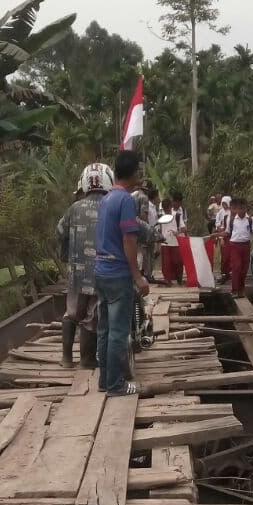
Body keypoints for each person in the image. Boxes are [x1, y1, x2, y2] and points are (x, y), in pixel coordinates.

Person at [94, 151, 149, 396]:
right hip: (117, 274)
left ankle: (105, 380)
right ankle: (116, 385)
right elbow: (129, 239)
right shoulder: (126, 200)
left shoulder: (107, 199)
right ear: (134, 172)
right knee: (118, 332)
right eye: (138, 169)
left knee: (104, 330)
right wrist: (137, 276)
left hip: (101, 272)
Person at [55, 163, 110, 368]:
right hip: (101, 271)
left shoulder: (74, 208)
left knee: (72, 312)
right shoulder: (111, 205)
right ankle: (87, 359)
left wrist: (67, 251)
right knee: (91, 315)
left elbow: (59, 232)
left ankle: (67, 358)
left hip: (77, 273)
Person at [226, 197, 253, 298]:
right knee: (236, 267)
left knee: (244, 269)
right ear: (236, 209)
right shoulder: (231, 220)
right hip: (234, 246)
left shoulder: (250, 220)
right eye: (239, 208)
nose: (241, 211)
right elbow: (227, 232)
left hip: (246, 246)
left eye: (243, 208)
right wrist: (217, 236)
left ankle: (241, 289)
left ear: (246, 209)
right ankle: (234, 290)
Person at [158, 198, 184, 285]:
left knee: (177, 261)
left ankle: (179, 278)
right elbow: (158, 229)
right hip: (165, 242)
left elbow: (183, 228)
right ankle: (167, 280)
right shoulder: (161, 217)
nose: (166, 211)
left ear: (170, 206)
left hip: (175, 242)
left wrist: (178, 232)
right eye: (165, 209)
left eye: (167, 209)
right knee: (166, 263)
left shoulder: (177, 216)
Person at [215, 195, 232, 282]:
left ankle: (229, 273)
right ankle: (224, 273)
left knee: (230, 256)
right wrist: (220, 236)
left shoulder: (231, 212)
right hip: (223, 235)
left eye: (226, 203)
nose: (224, 205)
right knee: (224, 256)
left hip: (230, 236)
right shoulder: (220, 212)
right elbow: (218, 223)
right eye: (223, 203)